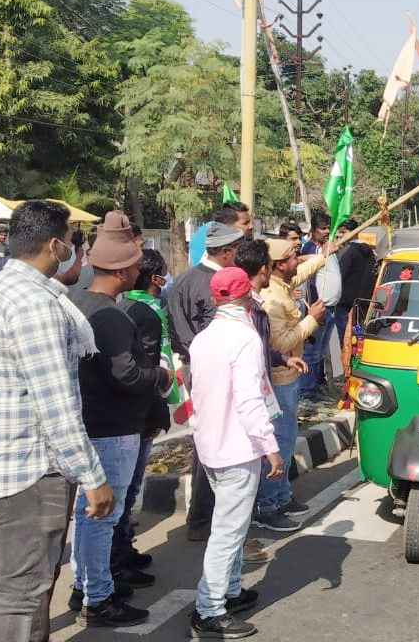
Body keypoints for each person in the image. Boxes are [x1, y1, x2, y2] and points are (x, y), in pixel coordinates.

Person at [0, 200, 114, 642]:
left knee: (1, 581)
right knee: (24, 593)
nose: (71, 251)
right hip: (26, 473)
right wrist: (92, 476)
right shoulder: (35, 305)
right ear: (53, 244)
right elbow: (57, 404)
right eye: (69, 242)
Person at [69, 211, 171, 627]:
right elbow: (127, 374)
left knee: (89, 515)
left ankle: (87, 586)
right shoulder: (110, 315)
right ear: (126, 269)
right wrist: (160, 376)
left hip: (96, 424)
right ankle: (97, 597)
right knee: (101, 516)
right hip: (112, 430)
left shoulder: (82, 303)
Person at [188, 267, 282, 639]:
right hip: (237, 447)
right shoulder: (245, 338)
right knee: (227, 532)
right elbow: (249, 398)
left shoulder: (203, 338)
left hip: (211, 444)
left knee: (230, 527)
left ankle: (228, 591)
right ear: (247, 297)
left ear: (215, 299)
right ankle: (208, 609)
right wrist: (270, 446)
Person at [167, 222, 245, 541]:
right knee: (212, 442)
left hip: (194, 366)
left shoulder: (183, 281)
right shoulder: (215, 284)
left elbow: (176, 332)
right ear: (225, 253)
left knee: (207, 438)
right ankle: (203, 516)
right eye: (235, 252)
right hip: (210, 371)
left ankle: (207, 514)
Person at [257, 238, 329, 531]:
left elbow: (303, 271)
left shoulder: (283, 282)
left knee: (286, 439)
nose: (298, 261)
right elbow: (281, 345)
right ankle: (267, 505)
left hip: (290, 378)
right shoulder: (273, 297)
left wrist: (323, 254)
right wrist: (311, 319)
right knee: (281, 443)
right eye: (293, 257)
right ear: (276, 266)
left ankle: (283, 496)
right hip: (280, 379)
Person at [114, 249, 174, 579]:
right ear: (155, 278)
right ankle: (120, 556)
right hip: (139, 415)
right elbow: (149, 369)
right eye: (164, 272)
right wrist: (154, 416)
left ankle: (124, 548)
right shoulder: (147, 313)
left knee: (125, 491)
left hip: (128, 413)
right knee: (129, 489)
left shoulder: (126, 306)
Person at [298, 210, 334, 399]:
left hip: (328, 309)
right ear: (314, 229)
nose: (327, 232)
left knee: (320, 352)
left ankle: (317, 385)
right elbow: (308, 283)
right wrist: (311, 311)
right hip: (315, 309)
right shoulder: (310, 251)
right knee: (311, 354)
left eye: (329, 228)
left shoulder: (326, 248)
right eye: (323, 228)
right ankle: (307, 393)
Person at [333, 218, 377, 344]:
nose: (341, 236)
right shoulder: (369, 252)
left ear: (354, 232)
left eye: (344, 232)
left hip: (345, 304)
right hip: (362, 303)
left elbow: (339, 275)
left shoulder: (348, 252)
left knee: (345, 340)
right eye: (340, 233)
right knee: (358, 338)